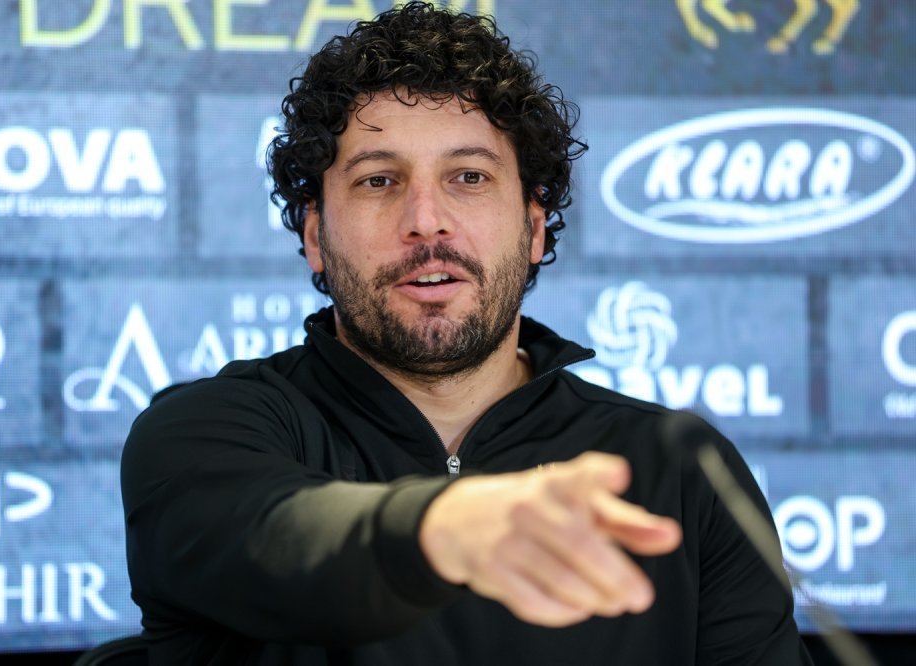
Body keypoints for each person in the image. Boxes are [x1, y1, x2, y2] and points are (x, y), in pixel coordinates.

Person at [121, 3, 813, 664]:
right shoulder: (206, 432)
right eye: (378, 181)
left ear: (534, 229)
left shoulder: (678, 473)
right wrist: (445, 529)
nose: (427, 220)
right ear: (315, 236)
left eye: (469, 177)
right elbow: (277, 537)